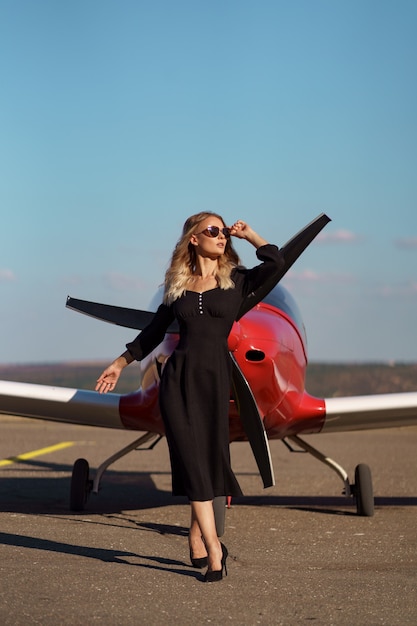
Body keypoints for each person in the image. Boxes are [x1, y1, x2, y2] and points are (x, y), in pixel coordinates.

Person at [96, 212, 285, 582]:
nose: (221, 237)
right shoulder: (178, 287)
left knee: (209, 463)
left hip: (215, 381)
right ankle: (215, 551)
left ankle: (196, 534)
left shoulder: (238, 281)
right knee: (190, 461)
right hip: (178, 381)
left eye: (223, 232)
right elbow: (152, 333)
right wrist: (119, 363)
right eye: (212, 231)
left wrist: (250, 236)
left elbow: (276, 262)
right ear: (193, 239)